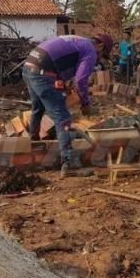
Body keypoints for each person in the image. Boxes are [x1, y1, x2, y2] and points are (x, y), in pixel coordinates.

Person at [22, 34, 113, 177]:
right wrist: (85, 103)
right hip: (43, 73)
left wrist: (64, 86)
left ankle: (35, 148)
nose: (99, 59)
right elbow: (81, 80)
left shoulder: (79, 41)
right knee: (63, 118)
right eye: (102, 55)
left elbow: (60, 62)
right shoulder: (90, 50)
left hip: (29, 67)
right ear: (100, 46)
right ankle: (68, 164)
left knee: (38, 109)